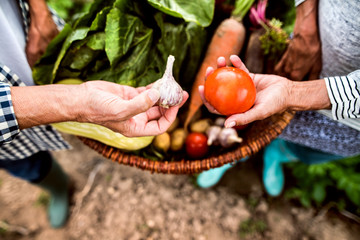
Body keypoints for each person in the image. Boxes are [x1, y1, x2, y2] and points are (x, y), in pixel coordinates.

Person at [0, 0, 187, 228]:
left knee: (32, 151)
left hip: (19, 29)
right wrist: (79, 103)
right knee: (19, 160)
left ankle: (57, 181)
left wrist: (40, 11)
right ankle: (57, 187)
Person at [197, 0, 360, 195]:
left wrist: (291, 93)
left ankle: (279, 153)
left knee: (323, 148)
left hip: (354, 119)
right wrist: (306, 24)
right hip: (310, 48)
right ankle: (239, 152)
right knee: (256, 121)